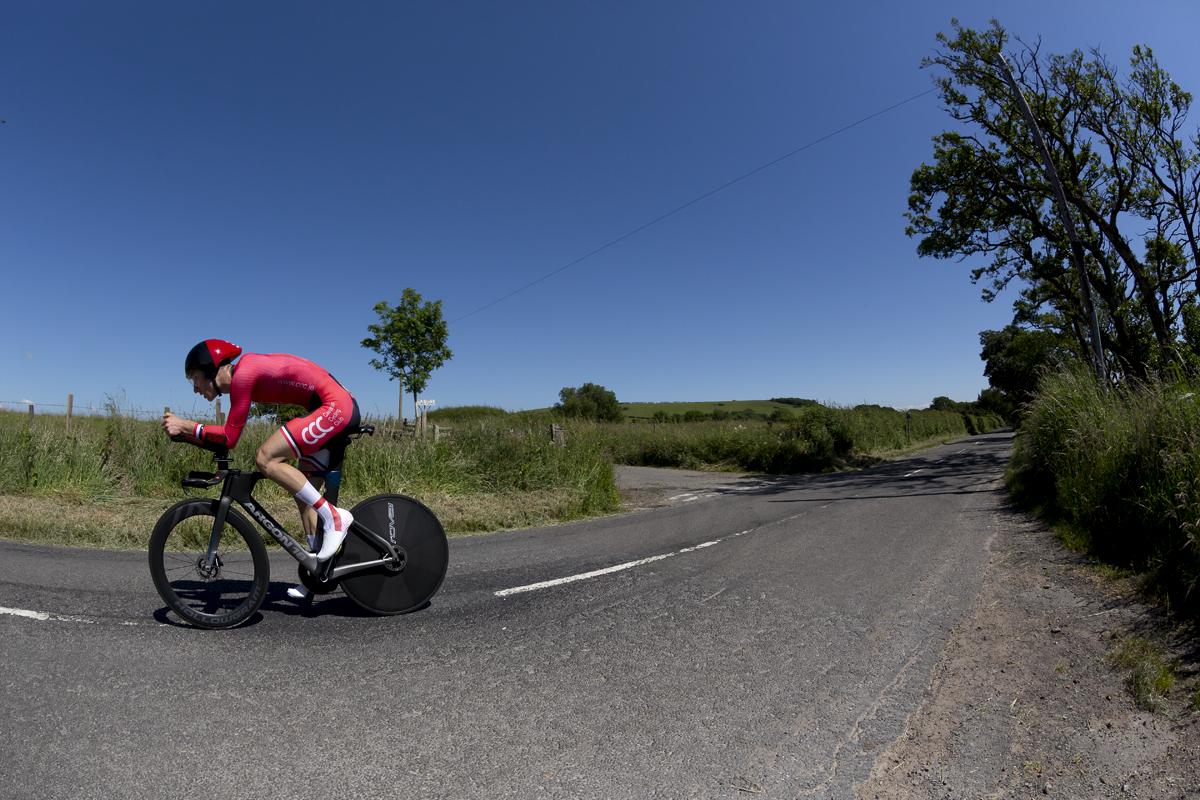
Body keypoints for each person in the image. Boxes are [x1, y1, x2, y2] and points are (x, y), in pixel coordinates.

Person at [162, 339, 358, 599]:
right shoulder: (244, 375)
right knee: (305, 495)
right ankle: (317, 572)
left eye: (195, 378)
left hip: (334, 406)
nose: (195, 387)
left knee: (265, 458)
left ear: (212, 369)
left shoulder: (243, 375)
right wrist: (191, 434)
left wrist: (187, 426)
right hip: (328, 405)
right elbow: (224, 438)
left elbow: (230, 438)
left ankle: (335, 518)